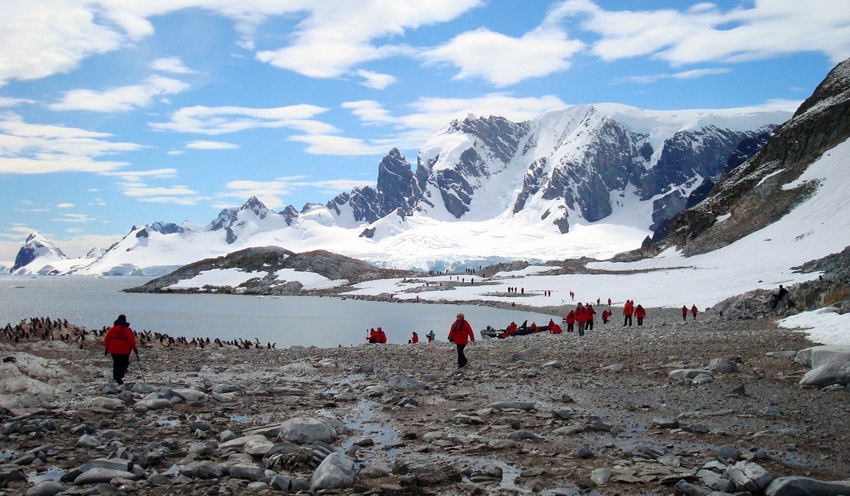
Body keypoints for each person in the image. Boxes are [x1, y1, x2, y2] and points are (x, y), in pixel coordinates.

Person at [103, 314, 138, 385]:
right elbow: (131, 340)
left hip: (113, 349)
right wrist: (135, 349)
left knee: (116, 363)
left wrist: (106, 349)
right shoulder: (126, 330)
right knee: (124, 363)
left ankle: (115, 377)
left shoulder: (112, 329)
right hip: (123, 350)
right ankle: (119, 377)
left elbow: (107, 339)